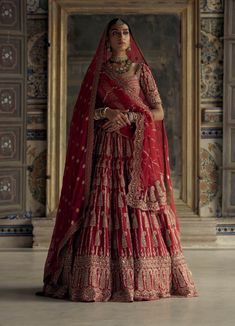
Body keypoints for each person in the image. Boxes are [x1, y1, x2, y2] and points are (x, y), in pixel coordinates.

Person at [36, 18, 199, 302]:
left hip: (136, 152)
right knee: (102, 206)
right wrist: (106, 113)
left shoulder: (141, 71)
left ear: (130, 38)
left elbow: (159, 111)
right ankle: (95, 280)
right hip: (105, 152)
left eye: (125, 32)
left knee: (138, 208)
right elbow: (82, 116)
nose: (121, 36)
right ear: (107, 40)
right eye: (115, 32)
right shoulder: (97, 73)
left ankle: (144, 277)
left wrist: (134, 116)